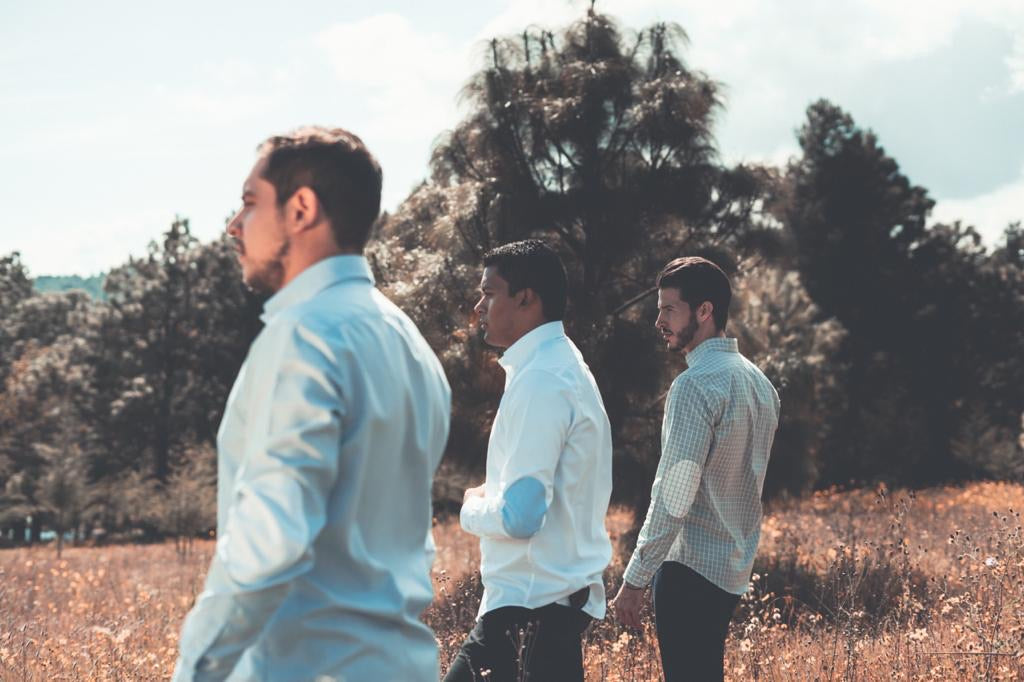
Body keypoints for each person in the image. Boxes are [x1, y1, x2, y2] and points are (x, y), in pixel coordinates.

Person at [172, 126, 451, 681]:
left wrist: (196, 669)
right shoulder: (410, 343)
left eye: (250, 203)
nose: (234, 224)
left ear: (301, 209)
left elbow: (272, 535)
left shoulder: (304, 334)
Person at [445, 239, 613, 682]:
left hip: (528, 609)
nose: (479, 305)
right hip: (546, 608)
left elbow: (521, 516)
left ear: (526, 298)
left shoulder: (542, 379)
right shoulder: (561, 366)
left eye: (489, 292)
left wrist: (470, 507)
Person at [611, 256, 780, 682]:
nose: (659, 321)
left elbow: (674, 494)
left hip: (690, 569)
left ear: (704, 311)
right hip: (732, 569)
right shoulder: (761, 383)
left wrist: (635, 579)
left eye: (669, 309)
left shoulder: (694, 386)